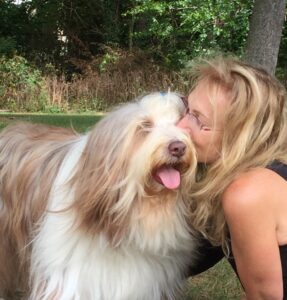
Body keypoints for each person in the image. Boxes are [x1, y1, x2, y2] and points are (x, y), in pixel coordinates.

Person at [177, 56, 287, 300]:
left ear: (240, 136)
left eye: (199, 120)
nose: (181, 125)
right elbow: (189, 259)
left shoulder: (247, 192)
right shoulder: (263, 172)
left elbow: (265, 296)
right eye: (186, 108)